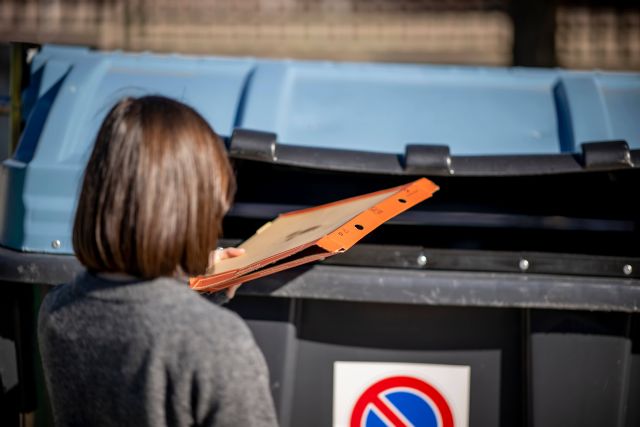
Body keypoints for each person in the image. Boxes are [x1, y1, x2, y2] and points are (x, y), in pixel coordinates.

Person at [38, 96, 279, 427]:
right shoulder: (217, 342)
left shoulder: (57, 310)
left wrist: (192, 284)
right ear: (192, 209)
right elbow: (168, 332)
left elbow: (137, 317)